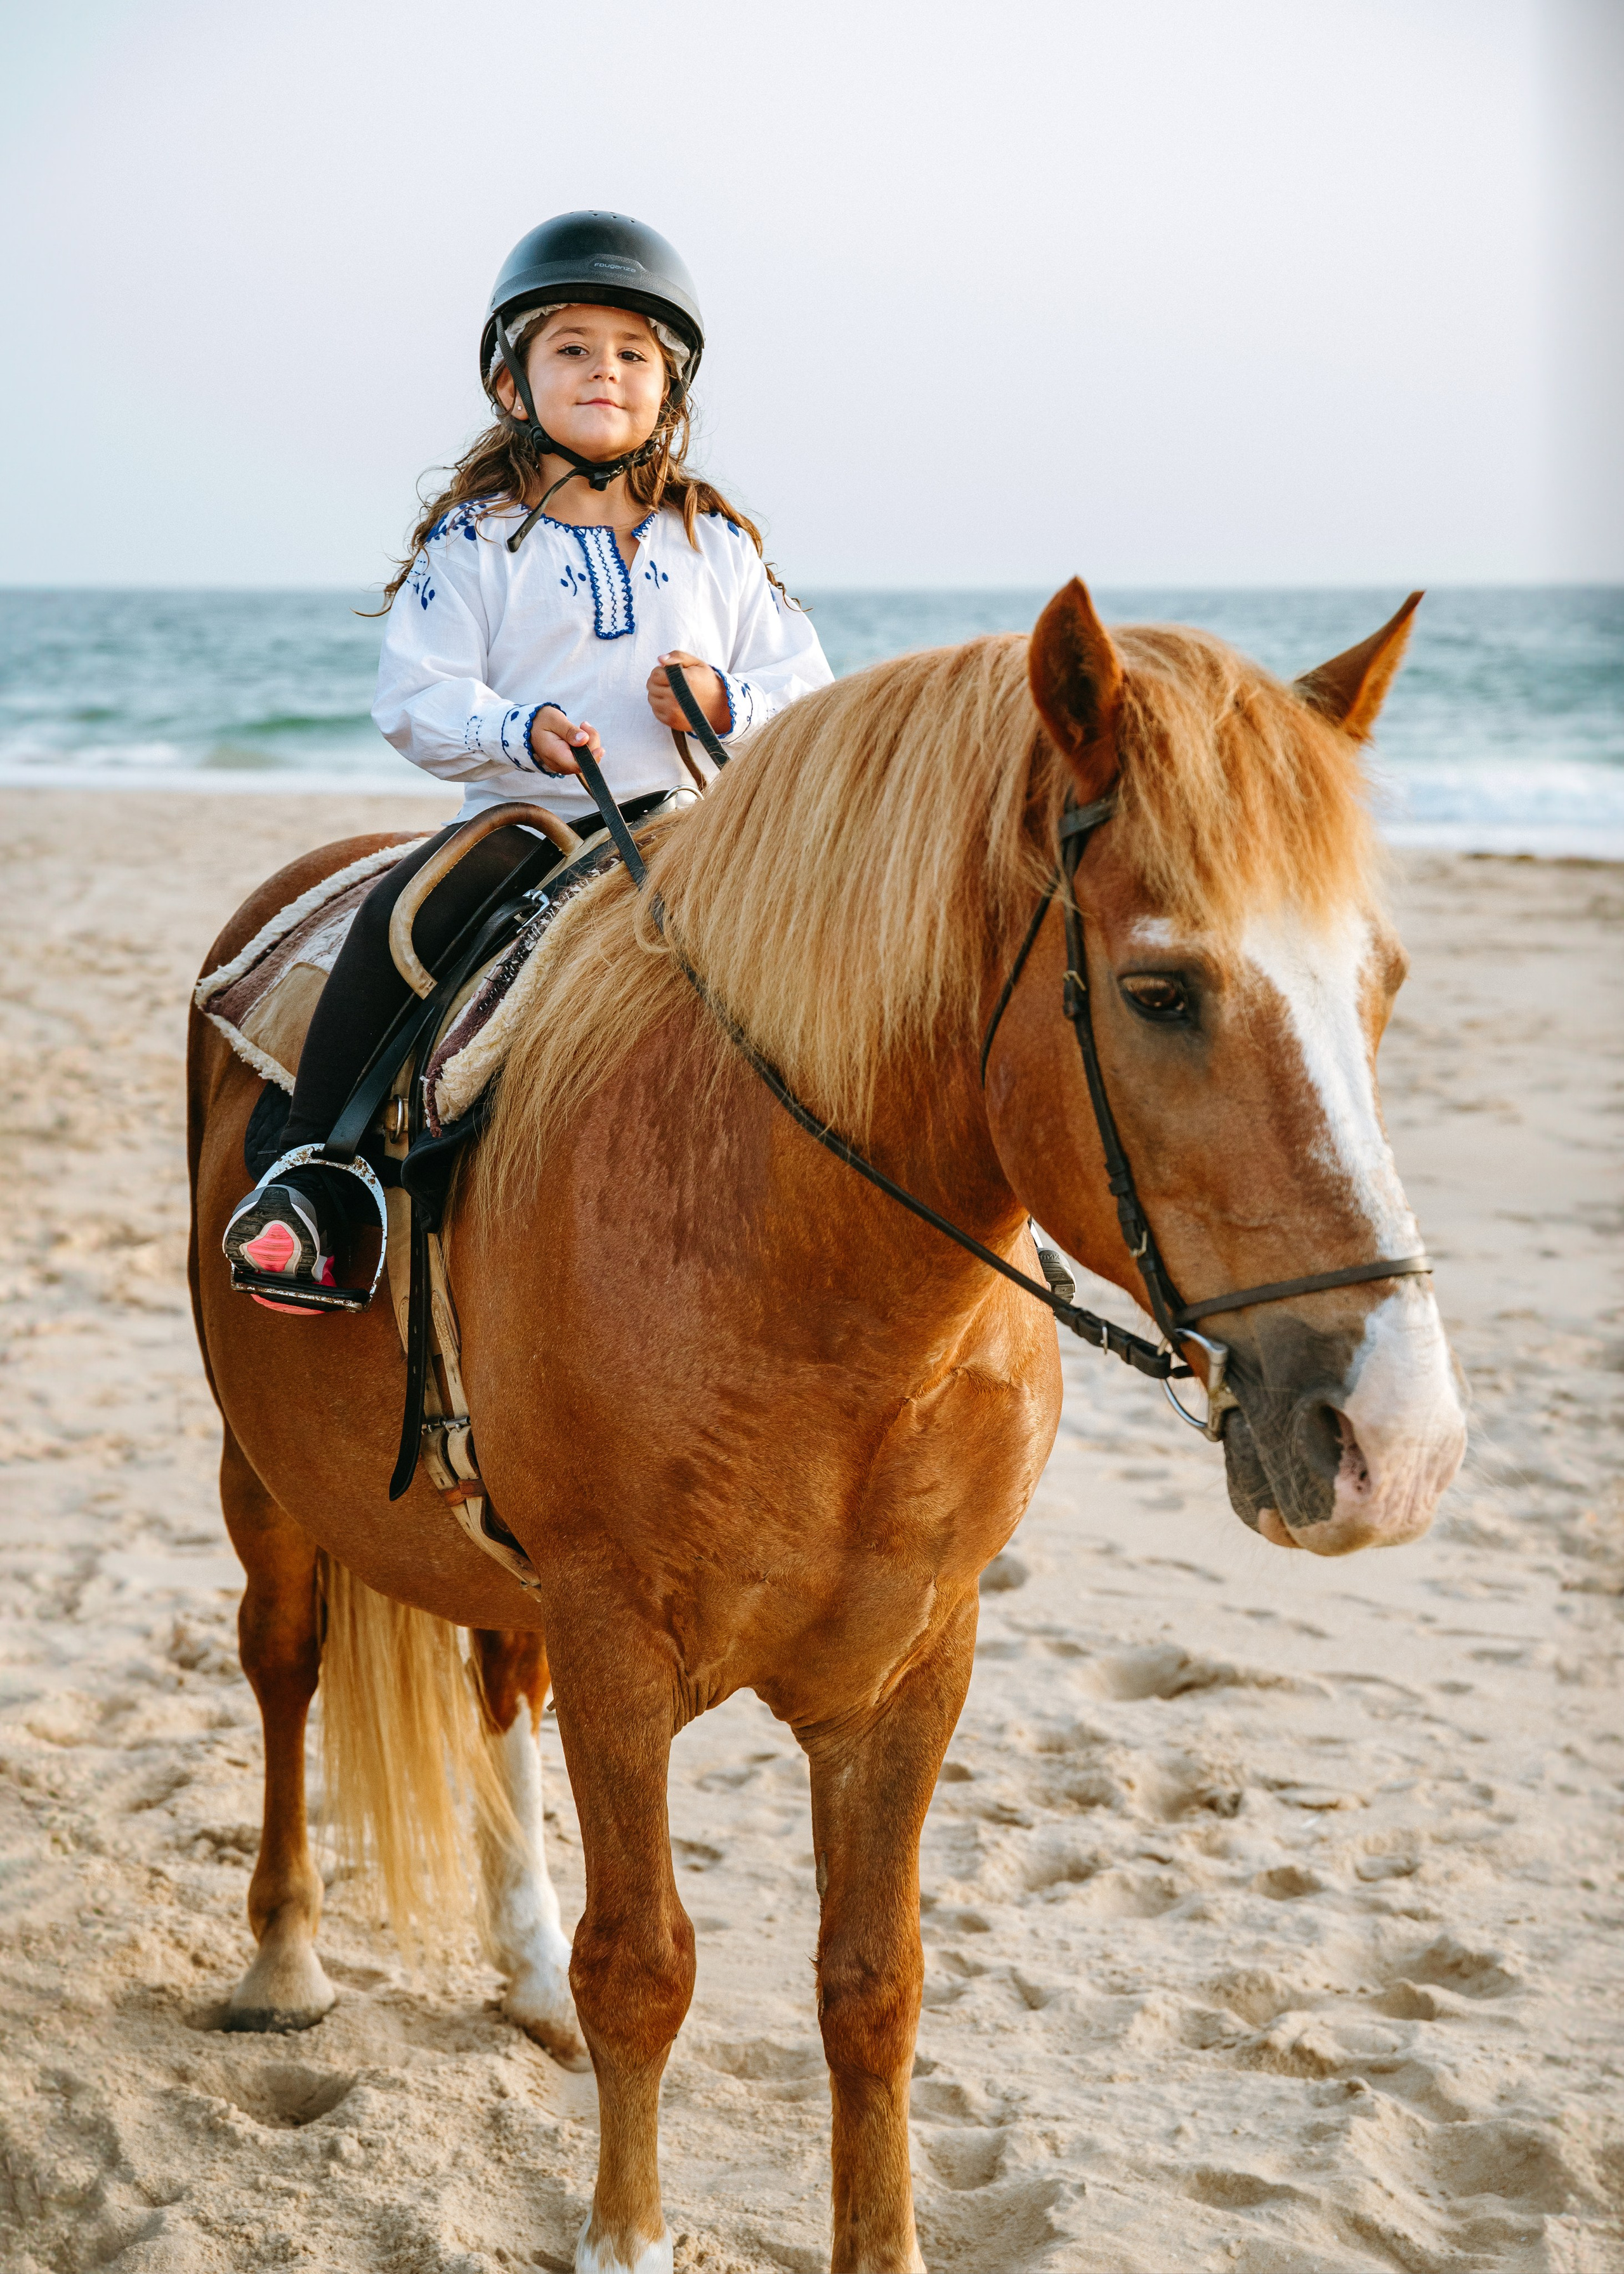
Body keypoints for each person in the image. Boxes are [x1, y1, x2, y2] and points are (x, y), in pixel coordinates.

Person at [223, 211, 832, 1302]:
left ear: (670, 393)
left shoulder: (721, 545)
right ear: (514, 385)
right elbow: (415, 695)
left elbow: (811, 698)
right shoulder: (476, 540)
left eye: (633, 354)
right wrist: (522, 728)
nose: (606, 371)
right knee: (405, 918)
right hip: (528, 828)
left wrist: (722, 698)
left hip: (695, 826)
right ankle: (313, 1168)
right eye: (573, 349)